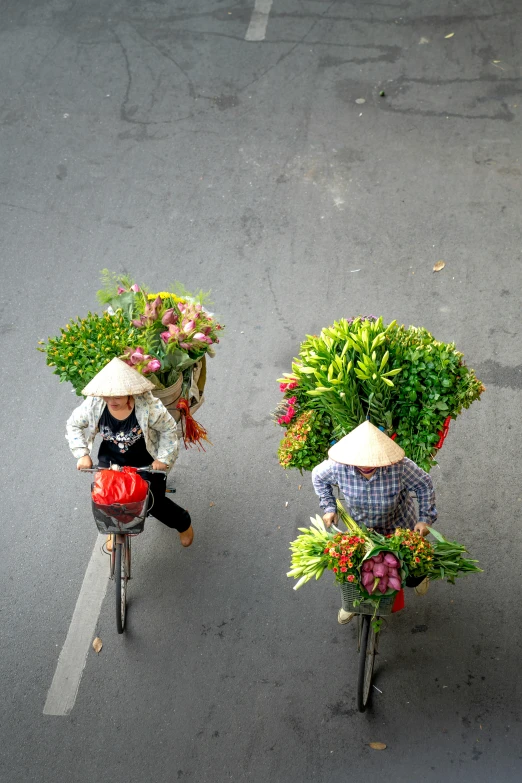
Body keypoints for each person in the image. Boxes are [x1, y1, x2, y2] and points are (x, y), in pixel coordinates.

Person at [311, 420, 436, 624]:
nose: (366, 465)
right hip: (363, 529)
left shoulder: (400, 467)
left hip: (399, 527)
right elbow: (317, 477)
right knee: (354, 569)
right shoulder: (337, 467)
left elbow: (424, 484)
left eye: (371, 460)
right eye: (360, 460)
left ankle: (419, 577)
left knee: (410, 566)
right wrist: (329, 507)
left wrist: (425, 519)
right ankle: (353, 602)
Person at [66, 357, 194, 547]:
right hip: (111, 460)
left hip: (145, 461)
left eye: (117, 396)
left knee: (153, 503)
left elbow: (168, 429)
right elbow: (74, 424)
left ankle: (184, 524)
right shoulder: (95, 405)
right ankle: (114, 529)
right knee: (108, 498)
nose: (111, 401)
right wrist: (82, 454)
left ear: (130, 393)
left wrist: (163, 458)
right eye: (107, 395)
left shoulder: (149, 407)